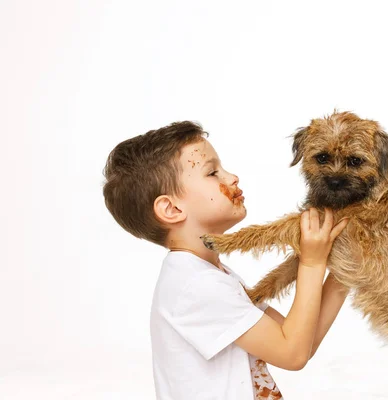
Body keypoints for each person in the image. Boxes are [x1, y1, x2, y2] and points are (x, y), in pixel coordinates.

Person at [102, 120, 350, 399]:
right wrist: (312, 264)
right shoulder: (195, 286)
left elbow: (303, 339)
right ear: (171, 208)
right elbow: (292, 353)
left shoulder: (211, 276)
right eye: (212, 173)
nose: (232, 177)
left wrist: (346, 270)